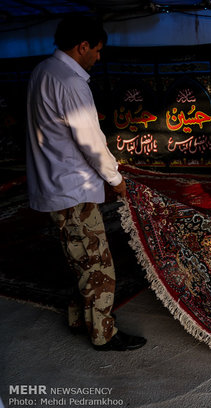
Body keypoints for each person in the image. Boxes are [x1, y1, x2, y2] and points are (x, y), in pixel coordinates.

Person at [26, 16, 146, 351]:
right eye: (96, 50)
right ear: (82, 46)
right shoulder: (70, 82)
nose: (98, 57)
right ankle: (103, 334)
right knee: (97, 264)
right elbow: (91, 142)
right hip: (72, 187)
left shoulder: (43, 71)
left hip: (56, 182)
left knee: (76, 257)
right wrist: (116, 178)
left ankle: (81, 320)